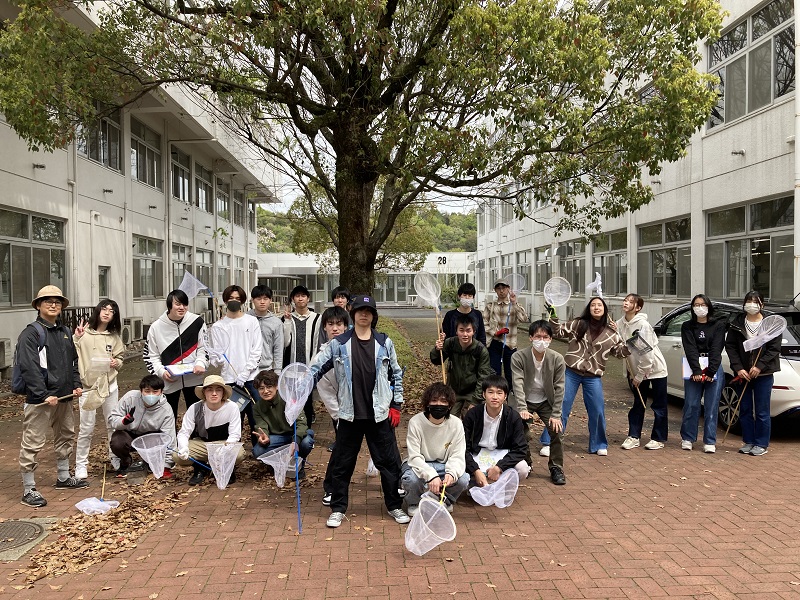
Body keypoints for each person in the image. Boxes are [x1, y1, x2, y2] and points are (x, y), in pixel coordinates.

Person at [309, 295, 410, 528]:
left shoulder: (384, 342)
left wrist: (396, 405)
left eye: (369, 311)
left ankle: (394, 505)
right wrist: (301, 387)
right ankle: (338, 508)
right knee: (343, 464)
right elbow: (316, 368)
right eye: (360, 310)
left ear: (374, 316)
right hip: (349, 414)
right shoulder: (339, 343)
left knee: (388, 463)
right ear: (353, 313)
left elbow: (396, 374)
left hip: (378, 413)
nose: (364, 314)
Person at [18, 285, 85, 507]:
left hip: (64, 396)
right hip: (40, 399)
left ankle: (63, 477)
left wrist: (76, 385)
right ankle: (28, 489)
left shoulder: (65, 332)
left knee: (65, 435)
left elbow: (73, 362)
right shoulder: (31, 333)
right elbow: (29, 367)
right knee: (33, 441)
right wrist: (43, 394)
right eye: (48, 301)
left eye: (57, 301)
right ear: (38, 305)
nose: (53, 304)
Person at [546, 297, 629, 455]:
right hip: (571, 372)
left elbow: (620, 353)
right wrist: (553, 315)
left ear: (605, 309)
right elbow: (557, 331)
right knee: (562, 404)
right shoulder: (578, 324)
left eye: (599, 305)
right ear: (589, 308)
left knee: (597, 409)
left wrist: (631, 343)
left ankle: (598, 444)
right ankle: (550, 442)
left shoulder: (611, 333)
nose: (596, 307)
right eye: (593, 305)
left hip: (593, 376)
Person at [73, 299, 126, 481]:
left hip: (109, 385)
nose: (106, 312)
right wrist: (76, 338)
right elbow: (73, 353)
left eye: (111, 311)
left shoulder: (114, 337)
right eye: (104, 309)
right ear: (98, 311)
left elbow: (120, 358)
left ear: (114, 316)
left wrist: (116, 362)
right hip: (88, 387)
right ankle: (81, 464)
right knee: (86, 428)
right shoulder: (84, 333)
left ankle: (115, 458)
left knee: (112, 424)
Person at [511, 320, 567, 485]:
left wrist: (556, 414)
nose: (541, 341)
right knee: (519, 430)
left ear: (550, 339)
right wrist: (522, 407)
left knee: (557, 431)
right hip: (525, 400)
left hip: (546, 400)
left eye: (545, 337)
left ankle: (556, 467)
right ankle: (526, 462)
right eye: (538, 336)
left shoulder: (557, 359)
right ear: (530, 337)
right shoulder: (518, 357)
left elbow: (560, 388)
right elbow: (517, 383)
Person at [726, 291, 780, 456]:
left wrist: (759, 367)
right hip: (743, 374)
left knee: (762, 411)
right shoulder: (736, 323)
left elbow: (774, 349)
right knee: (745, 408)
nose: (751, 304)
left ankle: (761, 444)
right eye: (748, 301)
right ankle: (748, 441)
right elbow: (731, 347)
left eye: (755, 302)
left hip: (763, 375)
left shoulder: (771, 324)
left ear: (762, 304)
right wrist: (739, 368)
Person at [401, 383, 468, 515]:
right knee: (411, 479)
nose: (438, 404)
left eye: (443, 401)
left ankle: (445, 500)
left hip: (443, 464)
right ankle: (413, 502)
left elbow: (458, 455)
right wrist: (431, 475)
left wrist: (451, 473)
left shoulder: (456, 424)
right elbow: (414, 457)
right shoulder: (416, 422)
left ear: (450, 405)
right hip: (417, 464)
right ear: (427, 404)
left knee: (463, 479)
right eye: (434, 400)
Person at [144, 289, 208, 427]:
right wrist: (161, 372)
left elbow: (204, 347)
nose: (182, 307)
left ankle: (196, 437)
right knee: (168, 415)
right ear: (169, 306)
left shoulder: (197, 322)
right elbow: (151, 356)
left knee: (197, 414)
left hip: (194, 377)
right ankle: (170, 438)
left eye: (185, 304)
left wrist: (201, 363)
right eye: (178, 304)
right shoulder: (156, 327)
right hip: (169, 379)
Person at [616, 294, 669, 451]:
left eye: (631, 301)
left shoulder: (643, 325)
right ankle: (634, 436)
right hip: (637, 370)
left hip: (655, 369)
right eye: (625, 300)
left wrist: (640, 376)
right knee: (638, 404)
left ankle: (658, 438)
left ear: (638, 308)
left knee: (659, 405)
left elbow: (647, 354)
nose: (626, 302)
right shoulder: (619, 324)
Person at [174, 375, 246, 486]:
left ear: (223, 393)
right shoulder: (195, 408)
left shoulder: (232, 407)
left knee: (239, 454)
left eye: (218, 390)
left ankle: (226, 467)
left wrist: (225, 450)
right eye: (210, 390)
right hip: (203, 444)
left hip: (224, 443)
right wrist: (183, 447)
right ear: (204, 392)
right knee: (176, 455)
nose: (214, 393)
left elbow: (235, 435)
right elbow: (184, 432)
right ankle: (200, 467)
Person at [209, 285, 261, 437]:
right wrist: (217, 359)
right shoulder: (218, 326)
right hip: (229, 381)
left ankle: (259, 447)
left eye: (238, 299)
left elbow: (257, 350)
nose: (234, 301)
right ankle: (233, 448)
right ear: (225, 301)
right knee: (232, 420)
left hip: (251, 379)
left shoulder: (251, 321)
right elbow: (214, 356)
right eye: (231, 298)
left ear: (243, 301)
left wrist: (246, 372)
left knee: (256, 419)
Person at [463, 374, 530, 487]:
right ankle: (478, 482)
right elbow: (463, 447)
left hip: (501, 454)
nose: (495, 397)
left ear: (505, 396)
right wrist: (475, 470)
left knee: (522, 468)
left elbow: (520, 449)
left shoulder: (513, 417)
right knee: (459, 464)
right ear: (483, 394)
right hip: (477, 453)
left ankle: (499, 486)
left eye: (499, 393)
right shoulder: (472, 415)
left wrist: (500, 467)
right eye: (490, 392)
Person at [680, 294, 726, 453]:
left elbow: (717, 348)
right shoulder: (687, 326)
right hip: (693, 367)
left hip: (713, 367)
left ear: (708, 307)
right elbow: (690, 348)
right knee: (691, 404)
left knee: (711, 406)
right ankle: (688, 437)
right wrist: (697, 370)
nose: (700, 308)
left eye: (703, 304)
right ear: (692, 308)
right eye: (696, 305)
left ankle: (710, 440)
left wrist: (711, 371)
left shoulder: (718, 325)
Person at [108, 375, 176, 478]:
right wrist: (123, 421)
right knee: (117, 441)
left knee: (159, 441)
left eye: (155, 392)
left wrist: (167, 465)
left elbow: (169, 437)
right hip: (129, 434)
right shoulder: (130, 398)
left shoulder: (166, 410)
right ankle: (125, 462)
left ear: (161, 392)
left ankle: (150, 462)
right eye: (147, 391)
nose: (151, 395)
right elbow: (112, 419)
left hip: (150, 438)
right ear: (141, 391)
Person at [251, 370, 314, 478]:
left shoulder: (288, 399)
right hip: (277, 437)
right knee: (257, 451)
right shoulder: (257, 407)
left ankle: (299, 465)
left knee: (306, 442)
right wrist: (264, 436)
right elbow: (261, 426)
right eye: (261, 388)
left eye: (269, 387)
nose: (265, 391)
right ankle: (276, 465)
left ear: (277, 386)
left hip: (294, 434)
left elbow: (302, 423)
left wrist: (295, 441)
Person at [430, 312, 493, 416]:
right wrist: (437, 349)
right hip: (453, 390)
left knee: (470, 417)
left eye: (468, 330)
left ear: (474, 331)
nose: (465, 334)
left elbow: (483, 377)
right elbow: (436, 360)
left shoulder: (481, 350)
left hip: (472, 392)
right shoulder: (450, 343)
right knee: (450, 418)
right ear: (456, 331)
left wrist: (475, 401)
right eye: (461, 330)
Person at [283, 285, 322, 425]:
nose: (300, 299)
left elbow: (317, 343)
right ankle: (293, 431)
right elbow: (285, 342)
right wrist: (287, 321)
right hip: (290, 369)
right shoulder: (287, 318)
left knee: (307, 401)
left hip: (308, 369)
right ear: (293, 299)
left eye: (303, 296)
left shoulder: (317, 318)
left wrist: (312, 367)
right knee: (291, 401)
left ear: (308, 298)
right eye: (297, 296)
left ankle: (307, 430)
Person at [316, 306, 349, 457]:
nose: (335, 328)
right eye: (330, 324)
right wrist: (339, 417)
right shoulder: (320, 358)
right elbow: (326, 392)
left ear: (346, 326)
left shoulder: (357, 348)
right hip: (340, 411)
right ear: (325, 327)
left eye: (339, 324)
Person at [483, 279, 528, 392]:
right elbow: (484, 323)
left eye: (504, 288)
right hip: (494, 344)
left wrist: (514, 303)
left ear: (508, 289)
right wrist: (495, 332)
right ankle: (495, 394)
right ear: (495, 290)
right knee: (494, 373)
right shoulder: (490, 306)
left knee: (510, 374)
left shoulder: (514, 305)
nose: (501, 291)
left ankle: (510, 395)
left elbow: (524, 319)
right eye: (498, 288)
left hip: (510, 345)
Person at [248, 285, 284, 374]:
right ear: (252, 300)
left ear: (270, 300)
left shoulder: (276, 322)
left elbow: (278, 348)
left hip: (267, 369)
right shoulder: (245, 319)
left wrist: (277, 371)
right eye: (258, 299)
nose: (262, 302)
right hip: (246, 368)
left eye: (265, 299)